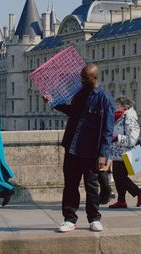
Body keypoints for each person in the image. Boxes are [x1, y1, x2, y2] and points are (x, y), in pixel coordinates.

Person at [43, 64, 115, 233]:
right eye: (81, 77)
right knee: (70, 184)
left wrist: (102, 154)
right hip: (73, 146)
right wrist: (53, 102)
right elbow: (72, 111)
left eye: (85, 78)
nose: (81, 81)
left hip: (91, 149)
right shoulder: (80, 93)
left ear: (94, 78)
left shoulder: (105, 99)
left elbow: (107, 129)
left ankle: (94, 218)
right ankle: (69, 218)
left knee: (91, 186)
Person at [108, 96, 141, 209]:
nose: (115, 107)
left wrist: (116, 138)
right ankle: (121, 201)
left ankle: (139, 192)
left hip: (126, 154)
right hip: (117, 153)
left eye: (117, 105)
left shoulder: (129, 119)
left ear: (123, 106)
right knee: (118, 176)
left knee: (120, 177)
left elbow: (132, 140)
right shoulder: (119, 118)